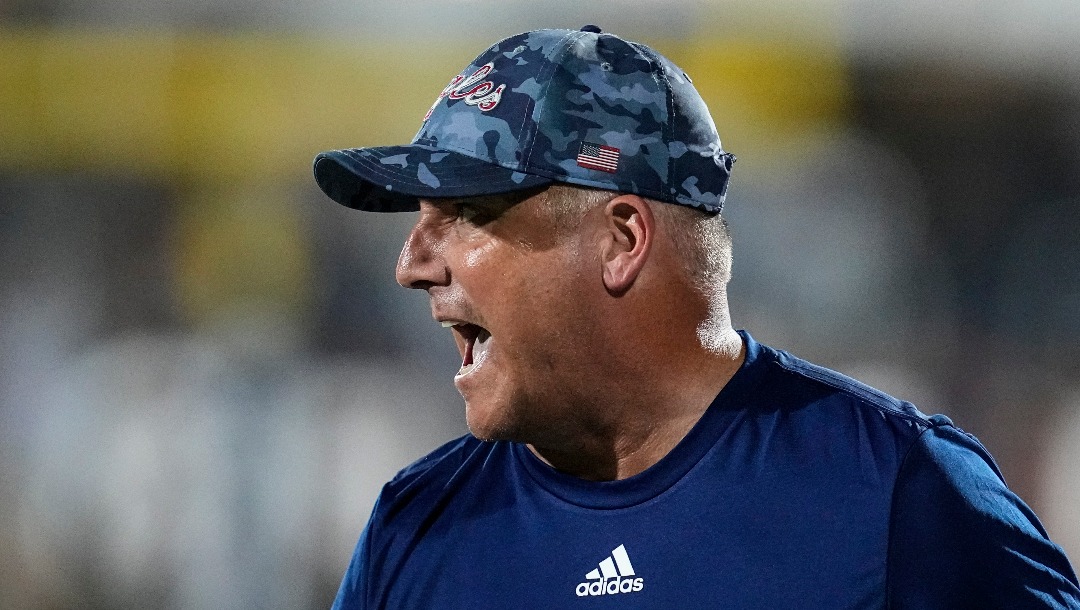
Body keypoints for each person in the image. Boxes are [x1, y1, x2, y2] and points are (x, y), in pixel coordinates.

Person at [312, 26, 1080, 609]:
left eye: (468, 215)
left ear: (621, 240)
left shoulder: (895, 493)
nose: (411, 264)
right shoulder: (416, 533)